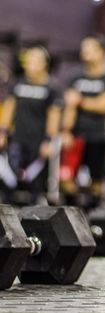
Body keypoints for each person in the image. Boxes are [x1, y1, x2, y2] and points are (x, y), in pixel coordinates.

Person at [61, 35, 105, 206]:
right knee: (67, 179)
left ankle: (95, 216)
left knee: (97, 181)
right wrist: (66, 131)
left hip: (98, 136)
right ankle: (71, 216)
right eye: (84, 48)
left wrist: (80, 100)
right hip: (76, 136)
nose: (86, 52)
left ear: (103, 53)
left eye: (91, 48)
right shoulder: (75, 78)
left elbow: (103, 105)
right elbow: (69, 107)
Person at [0, 45, 61, 204]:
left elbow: (54, 115)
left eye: (34, 60)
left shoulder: (51, 87)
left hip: (38, 141)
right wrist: (2, 133)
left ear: (44, 64)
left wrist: (48, 141)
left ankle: (33, 221)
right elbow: (9, 108)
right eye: (28, 61)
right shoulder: (17, 84)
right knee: (10, 181)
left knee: (35, 185)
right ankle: (8, 220)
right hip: (18, 139)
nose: (29, 64)